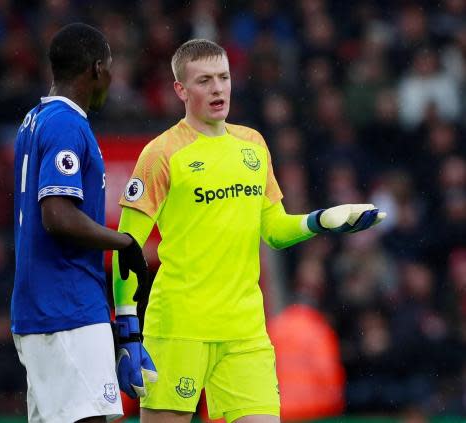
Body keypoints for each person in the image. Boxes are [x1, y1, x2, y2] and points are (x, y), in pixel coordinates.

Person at [112, 39, 385, 423]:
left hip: (245, 331)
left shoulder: (253, 145)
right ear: (180, 90)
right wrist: (127, 329)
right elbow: (127, 246)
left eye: (223, 77)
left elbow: (273, 230)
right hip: (179, 328)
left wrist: (324, 220)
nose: (218, 88)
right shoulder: (161, 153)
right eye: (204, 80)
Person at [11, 23, 150, 423]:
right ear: (95, 69)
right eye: (110, 68)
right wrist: (122, 242)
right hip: (65, 306)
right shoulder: (66, 124)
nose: (112, 78)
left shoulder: (33, 119)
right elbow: (56, 215)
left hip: (42, 305)